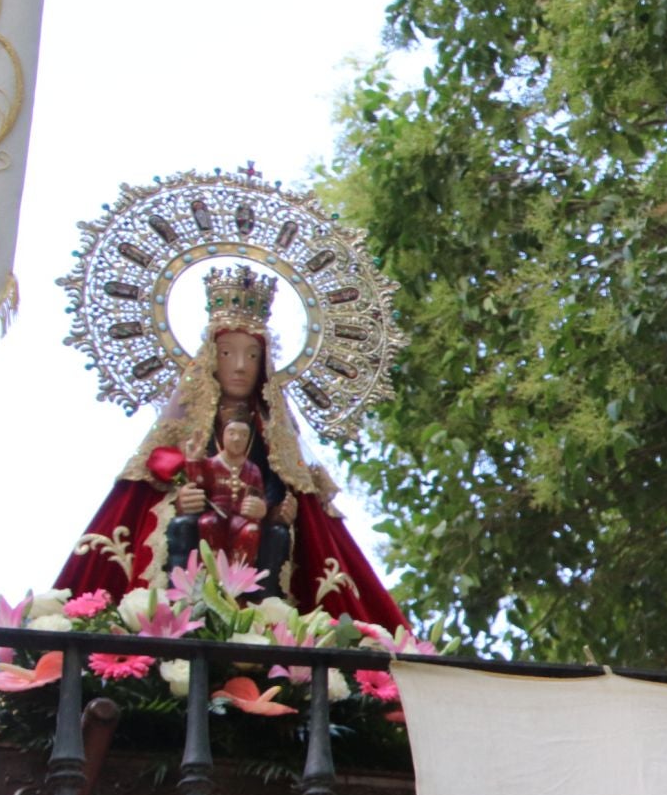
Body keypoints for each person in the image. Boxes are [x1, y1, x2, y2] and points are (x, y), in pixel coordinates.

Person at [55, 266, 406, 629]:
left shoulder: (271, 433)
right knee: (185, 527)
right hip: (202, 525)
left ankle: (261, 618)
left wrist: (275, 508)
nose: (240, 367)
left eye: (252, 356)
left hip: (254, 536)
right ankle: (182, 611)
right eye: (227, 353)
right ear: (211, 357)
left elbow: (280, 481)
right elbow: (162, 482)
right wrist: (180, 499)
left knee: (275, 536)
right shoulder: (189, 429)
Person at [183, 419, 268, 564]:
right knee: (208, 523)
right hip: (216, 513)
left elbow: (258, 494)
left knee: (251, 531)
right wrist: (193, 461)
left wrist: (260, 508)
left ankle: (239, 573)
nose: (237, 439)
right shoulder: (211, 464)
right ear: (222, 436)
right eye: (232, 433)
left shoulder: (253, 470)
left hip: (241, 519)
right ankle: (212, 570)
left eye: (243, 435)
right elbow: (198, 484)